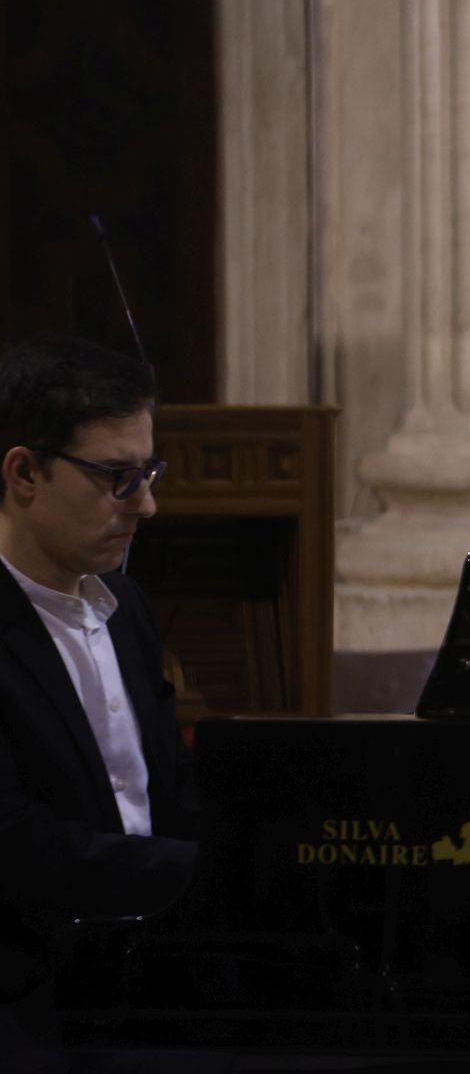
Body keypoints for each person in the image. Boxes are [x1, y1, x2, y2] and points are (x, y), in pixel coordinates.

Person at [0, 333, 199, 1071]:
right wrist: (208, 871)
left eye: (148, 471)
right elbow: (17, 845)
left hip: (145, 966)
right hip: (29, 990)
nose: (147, 503)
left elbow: (167, 791)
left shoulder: (125, 602)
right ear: (24, 473)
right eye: (118, 478)